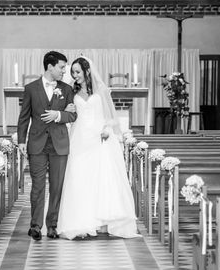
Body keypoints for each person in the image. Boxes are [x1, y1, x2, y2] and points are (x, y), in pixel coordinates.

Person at [57, 57, 140, 240]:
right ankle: (80, 220)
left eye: (77, 72)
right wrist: (69, 110)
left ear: (87, 71)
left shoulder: (101, 90)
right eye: (73, 72)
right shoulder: (71, 91)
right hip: (79, 138)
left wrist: (106, 129)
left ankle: (100, 220)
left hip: (98, 137)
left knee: (100, 177)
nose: (75, 75)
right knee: (79, 176)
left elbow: (112, 117)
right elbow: (69, 114)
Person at [17, 51, 77, 241]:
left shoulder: (67, 89)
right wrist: (20, 141)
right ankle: (35, 226)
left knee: (57, 186)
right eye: (61, 67)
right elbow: (24, 117)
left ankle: (52, 225)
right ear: (50, 67)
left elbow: (73, 115)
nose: (64, 71)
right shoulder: (31, 88)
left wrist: (58, 115)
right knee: (37, 186)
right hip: (37, 144)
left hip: (59, 144)